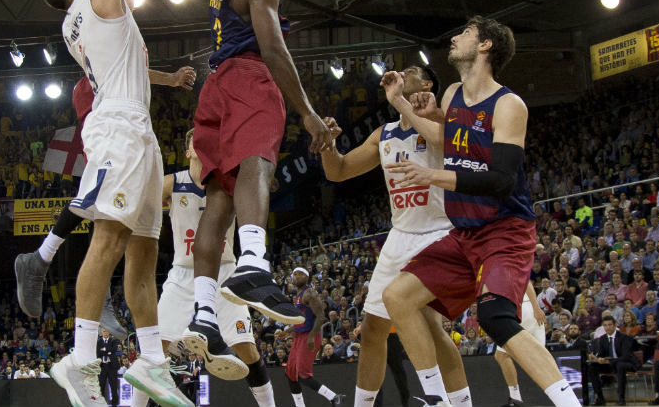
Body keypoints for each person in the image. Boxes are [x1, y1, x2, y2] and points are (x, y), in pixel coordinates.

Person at [39, 0, 194, 407]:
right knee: (105, 241)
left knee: (144, 251)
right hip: (119, 130)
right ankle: (79, 361)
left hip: (139, 132)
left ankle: (151, 362)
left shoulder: (87, 4)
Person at [161, 0, 329, 340]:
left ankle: (204, 311)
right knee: (258, 162)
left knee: (218, 197)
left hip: (213, 88)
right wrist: (306, 112)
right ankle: (254, 264)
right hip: (248, 76)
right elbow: (275, 52)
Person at [381, 16, 580, 407]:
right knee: (397, 297)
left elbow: (501, 180)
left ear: (486, 46)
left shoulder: (509, 105)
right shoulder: (453, 94)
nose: (455, 37)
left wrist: (432, 175)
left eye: (466, 33)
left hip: (505, 228)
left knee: (495, 318)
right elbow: (446, 138)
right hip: (465, 232)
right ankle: (438, 400)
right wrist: (401, 104)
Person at [319, 65, 473, 407]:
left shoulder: (439, 120)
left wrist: (405, 101)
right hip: (400, 234)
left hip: (437, 232)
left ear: (427, 83)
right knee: (373, 328)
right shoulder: (384, 133)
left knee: (430, 323)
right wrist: (327, 145)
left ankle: (456, 403)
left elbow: (450, 143)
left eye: (411, 71)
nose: (401, 73)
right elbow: (339, 171)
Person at [15, 55, 195, 338]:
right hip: (110, 132)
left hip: (125, 132)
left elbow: (136, 71)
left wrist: (170, 80)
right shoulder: (97, 73)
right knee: (105, 213)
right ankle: (59, 272)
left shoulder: (115, 71)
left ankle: (45, 261)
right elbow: (135, 68)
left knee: (112, 217)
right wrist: (170, 79)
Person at [154, 129, 277, 407]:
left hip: (224, 271)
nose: (203, 141)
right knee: (154, 350)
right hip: (184, 273)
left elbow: (264, 186)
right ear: (187, 151)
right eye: (195, 139)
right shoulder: (172, 183)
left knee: (247, 349)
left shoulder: (229, 182)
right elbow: (141, 201)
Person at [284, 268, 344, 407]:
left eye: (300, 274)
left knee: (303, 375)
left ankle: (334, 397)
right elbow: (304, 318)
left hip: (309, 336)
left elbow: (321, 316)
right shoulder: (298, 295)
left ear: (307, 277)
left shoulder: (309, 292)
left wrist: (311, 337)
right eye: (295, 274)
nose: (297, 276)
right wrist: (288, 330)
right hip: (299, 336)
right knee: (290, 375)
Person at [493, 283, 547, 407]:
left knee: (501, 355)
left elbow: (527, 282)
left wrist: (536, 307)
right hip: (525, 308)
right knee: (541, 359)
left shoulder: (500, 265)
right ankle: (562, 393)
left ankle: (515, 398)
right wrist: (536, 307)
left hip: (519, 309)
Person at [587, 314, 638, 406]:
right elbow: (602, 354)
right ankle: (600, 398)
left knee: (620, 366)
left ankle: (621, 399)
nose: (607, 327)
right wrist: (597, 358)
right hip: (611, 364)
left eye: (610, 325)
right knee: (592, 367)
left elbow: (626, 356)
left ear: (615, 325)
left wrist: (609, 361)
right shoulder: (602, 339)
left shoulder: (624, 337)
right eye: (605, 325)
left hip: (627, 363)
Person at [97, 327, 122, 407]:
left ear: (109, 332)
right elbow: (98, 353)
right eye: (104, 331)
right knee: (101, 386)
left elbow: (114, 349)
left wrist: (104, 350)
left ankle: (115, 404)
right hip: (102, 366)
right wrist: (109, 352)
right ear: (101, 332)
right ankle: (102, 404)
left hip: (112, 367)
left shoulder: (114, 340)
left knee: (114, 386)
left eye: (106, 331)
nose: (105, 333)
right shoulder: (98, 341)